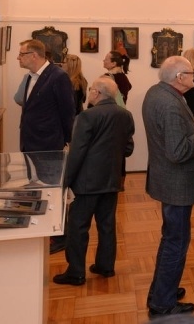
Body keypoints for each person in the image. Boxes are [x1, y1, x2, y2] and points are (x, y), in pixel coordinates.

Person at [142, 56, 194, 318]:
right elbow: (178, 151)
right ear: (180, 78)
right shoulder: (170, 104)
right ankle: (162, 304)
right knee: (176, 243)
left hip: (167, 179)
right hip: (177, 183)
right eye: (191, 73)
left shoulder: (156, 92)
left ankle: (161, 290)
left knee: (170, 238)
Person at [53, 77, 135, 286]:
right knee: (107, 225)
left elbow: (77, 152)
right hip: (112, 180)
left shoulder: (87, 116)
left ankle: (76, 272)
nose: (89, 92)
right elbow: (128, 149)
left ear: (97, 93)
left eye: (90, 90)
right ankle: (105, 266)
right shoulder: (125, 115)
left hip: (87, 183)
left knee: (78, 227)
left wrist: (65, 182)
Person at [17, 39, 75, 152]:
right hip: (29, 143)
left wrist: (67, 140)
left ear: (34, 55)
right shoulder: (30, 76)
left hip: (48, 144)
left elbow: (68, 111)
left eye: (21, 54)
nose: (18, 58)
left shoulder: (58, 76)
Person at [103, 50, 133, 188]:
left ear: (113, 63)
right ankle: (121, 182)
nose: (103, 61)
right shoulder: (123, 77)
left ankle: (110, 181)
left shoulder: (107, 78)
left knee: (108, 150)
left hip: (108, 117)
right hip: (121, 115)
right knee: (120, 150)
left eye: (106, 59)